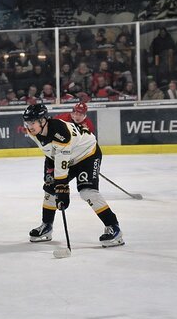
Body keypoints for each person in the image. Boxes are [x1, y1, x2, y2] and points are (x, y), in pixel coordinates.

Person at [22, 104, 124, 248]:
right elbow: (50, 151)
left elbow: (62, 164)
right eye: (27, 122)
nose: (29, 126)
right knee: (50, 189)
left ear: (43, 120)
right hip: (68, 156)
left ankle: (113, 227)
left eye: (32, 122)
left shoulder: (60, 133)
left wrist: (62, 188)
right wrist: (52, 177)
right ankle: (46, 226)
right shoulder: (33, 131)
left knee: (87, 192)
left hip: (87, 155)